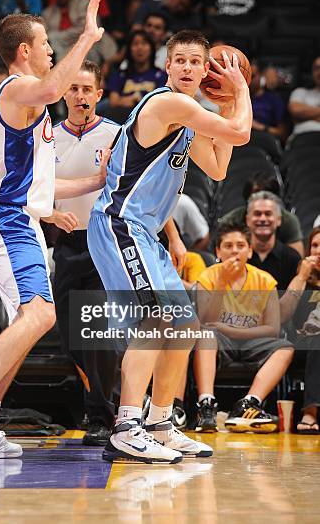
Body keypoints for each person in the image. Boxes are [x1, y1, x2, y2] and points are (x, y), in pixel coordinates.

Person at [0, 0, 108, 463]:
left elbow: (40, 178)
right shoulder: (18, 89)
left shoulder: (29, 101)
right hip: (8, 218)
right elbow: (54, 89)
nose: (52, 50)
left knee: (23, 322)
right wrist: (87, 37)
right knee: (41, 315)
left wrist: (94, 181)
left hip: (18, 214)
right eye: (47, 43)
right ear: (25, 51)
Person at [87, 29, 253, 463]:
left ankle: (161, 424)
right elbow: (239, 134)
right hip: (120, 226)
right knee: (158, 323)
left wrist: (230, 105)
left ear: (204, 69)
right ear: (168, 65)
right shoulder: (168, 103)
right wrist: (240, 93)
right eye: (179, 60)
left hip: (147, 233)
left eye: (195, 62)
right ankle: (126, 426)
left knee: (183, 328)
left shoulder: (187, 119)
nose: (186, 68)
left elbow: (218, 167)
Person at [53, 60, 120, 446]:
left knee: (95, 330)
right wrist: (50, 210)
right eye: (73, 88)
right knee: (69, 337)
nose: (80, 96)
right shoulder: (47, 137)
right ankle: (108, 396)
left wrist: (173, 238)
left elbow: (134, 190)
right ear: (64, 93)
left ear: (98, 94)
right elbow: (38, 188)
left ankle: (99, 414)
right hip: (67, 243)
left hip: (103, 241)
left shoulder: (115, 134)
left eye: (87, 89)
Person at [194, 224, 293, 433]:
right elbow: (206, 320)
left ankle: (248, 403)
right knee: (204, 334)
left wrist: (230, 330)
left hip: (252, 342)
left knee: (286, 347)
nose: (235, 250)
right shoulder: (208, 277)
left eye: (240, 245)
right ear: (218, 252)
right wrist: (221, 283)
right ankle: (206, 404)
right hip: (219, 341)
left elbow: (273, 329)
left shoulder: (265, 281)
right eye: (228, 246)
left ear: (249, 250)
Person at [280, 227, 320, 434]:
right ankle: (310, 412)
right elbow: (283, 315)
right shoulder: (302, 282)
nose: (319, 250)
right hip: (305, 348)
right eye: (314, 245)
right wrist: (302, 278)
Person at [220, 171, 304, 257]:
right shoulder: (231, 220)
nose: (261, 200)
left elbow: (297, 260)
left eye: (267, 196)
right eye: (256, 197)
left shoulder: (289, 221)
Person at [246, 191, 301, 289]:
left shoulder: (293, 259)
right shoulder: (238, 257)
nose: (263, 219)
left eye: (268, 214)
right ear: (248, 220)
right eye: (257, 214)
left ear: (278, 220)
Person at [107, 31, 167, 109]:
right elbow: (113, 102)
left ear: (151, 48)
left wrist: (140, 102)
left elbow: (161, 103)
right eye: (135, 44)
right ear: (129, 49)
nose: (139, 48)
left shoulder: (162, 76)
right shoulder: (119, 75)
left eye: (144, 43)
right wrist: (126, 101)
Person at [249, 62, 288, 141]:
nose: (248, 80)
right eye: (244, 76)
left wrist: (260, 127)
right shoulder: (234, 98)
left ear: (261, 76)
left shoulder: (274, 100)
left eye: (252, 76)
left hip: (264, 141)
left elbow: (283, 133)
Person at [288, 56, 320, 138]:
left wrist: (305, 116)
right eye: (317, 68)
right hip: (301, 140)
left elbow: (299, 116)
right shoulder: (300, 92)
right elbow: (296, 111)